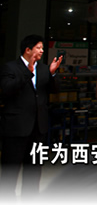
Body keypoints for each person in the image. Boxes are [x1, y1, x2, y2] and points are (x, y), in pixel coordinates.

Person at [0, 35, 61, 197]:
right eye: (39, 48)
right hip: (16, 127)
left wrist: (52, 74)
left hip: (38, 127)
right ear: (28, 50)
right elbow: (7, 90)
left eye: (42, 48)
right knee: (10, 169)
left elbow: (54, 91)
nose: (42, 51)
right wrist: (28, 72)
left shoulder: (43, 68)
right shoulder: (10, 67)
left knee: (34, 169)